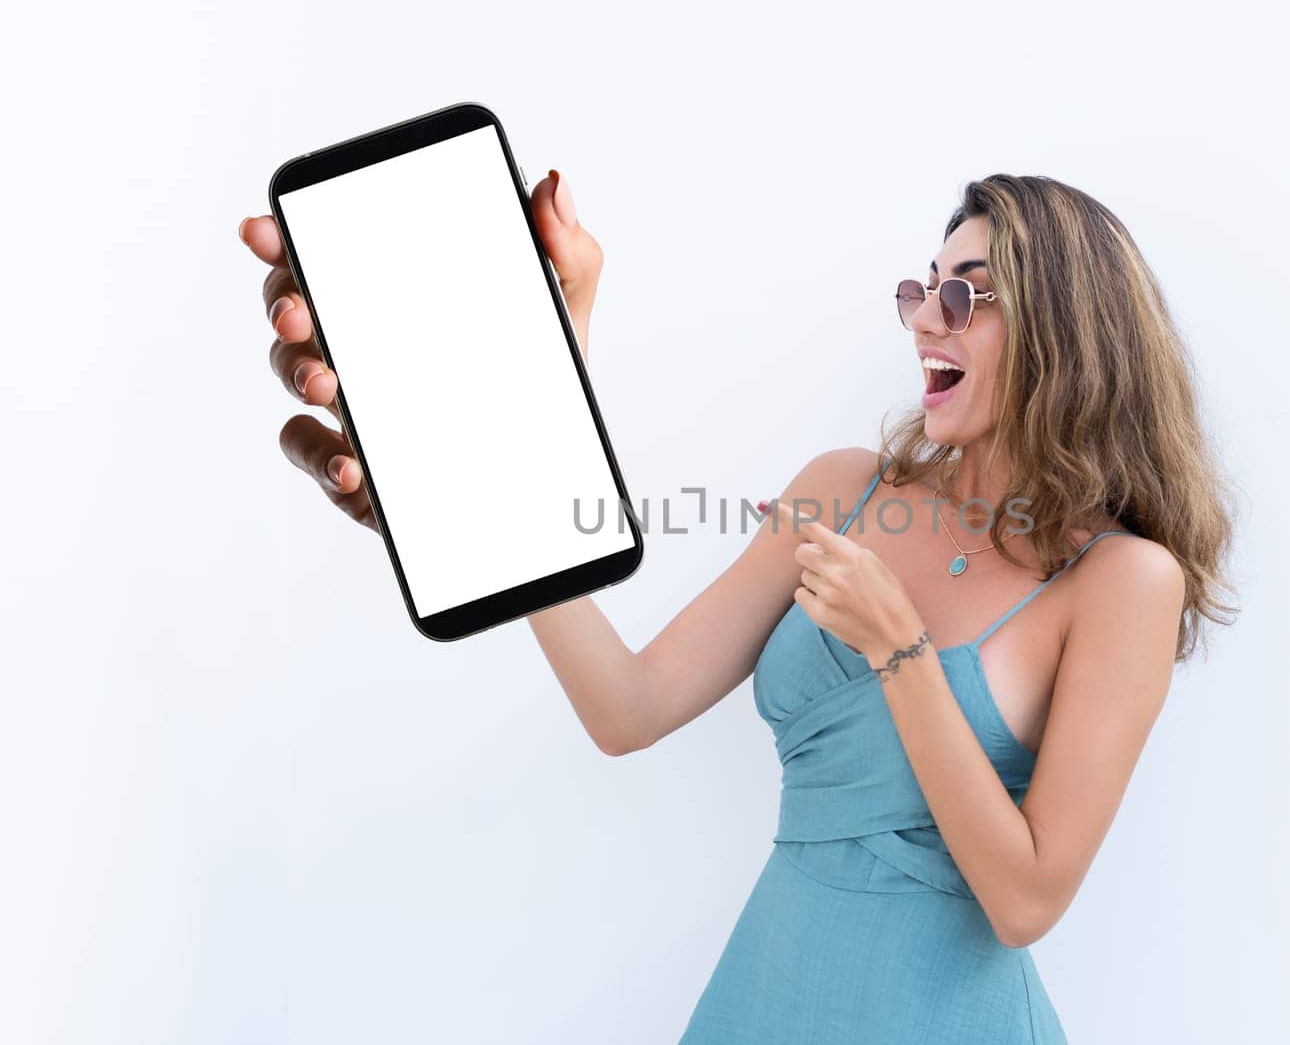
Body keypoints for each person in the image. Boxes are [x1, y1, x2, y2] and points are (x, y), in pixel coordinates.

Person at [238, 170, 1237, 1043]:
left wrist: (898, 647)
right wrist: (499, 518)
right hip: (770, 993)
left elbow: (1024, 899)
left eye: (966, 294)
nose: (927, 317)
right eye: (922, 290)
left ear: (1067, 329)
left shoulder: (1122, 580)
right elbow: (627, 708)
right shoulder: (845, 488)